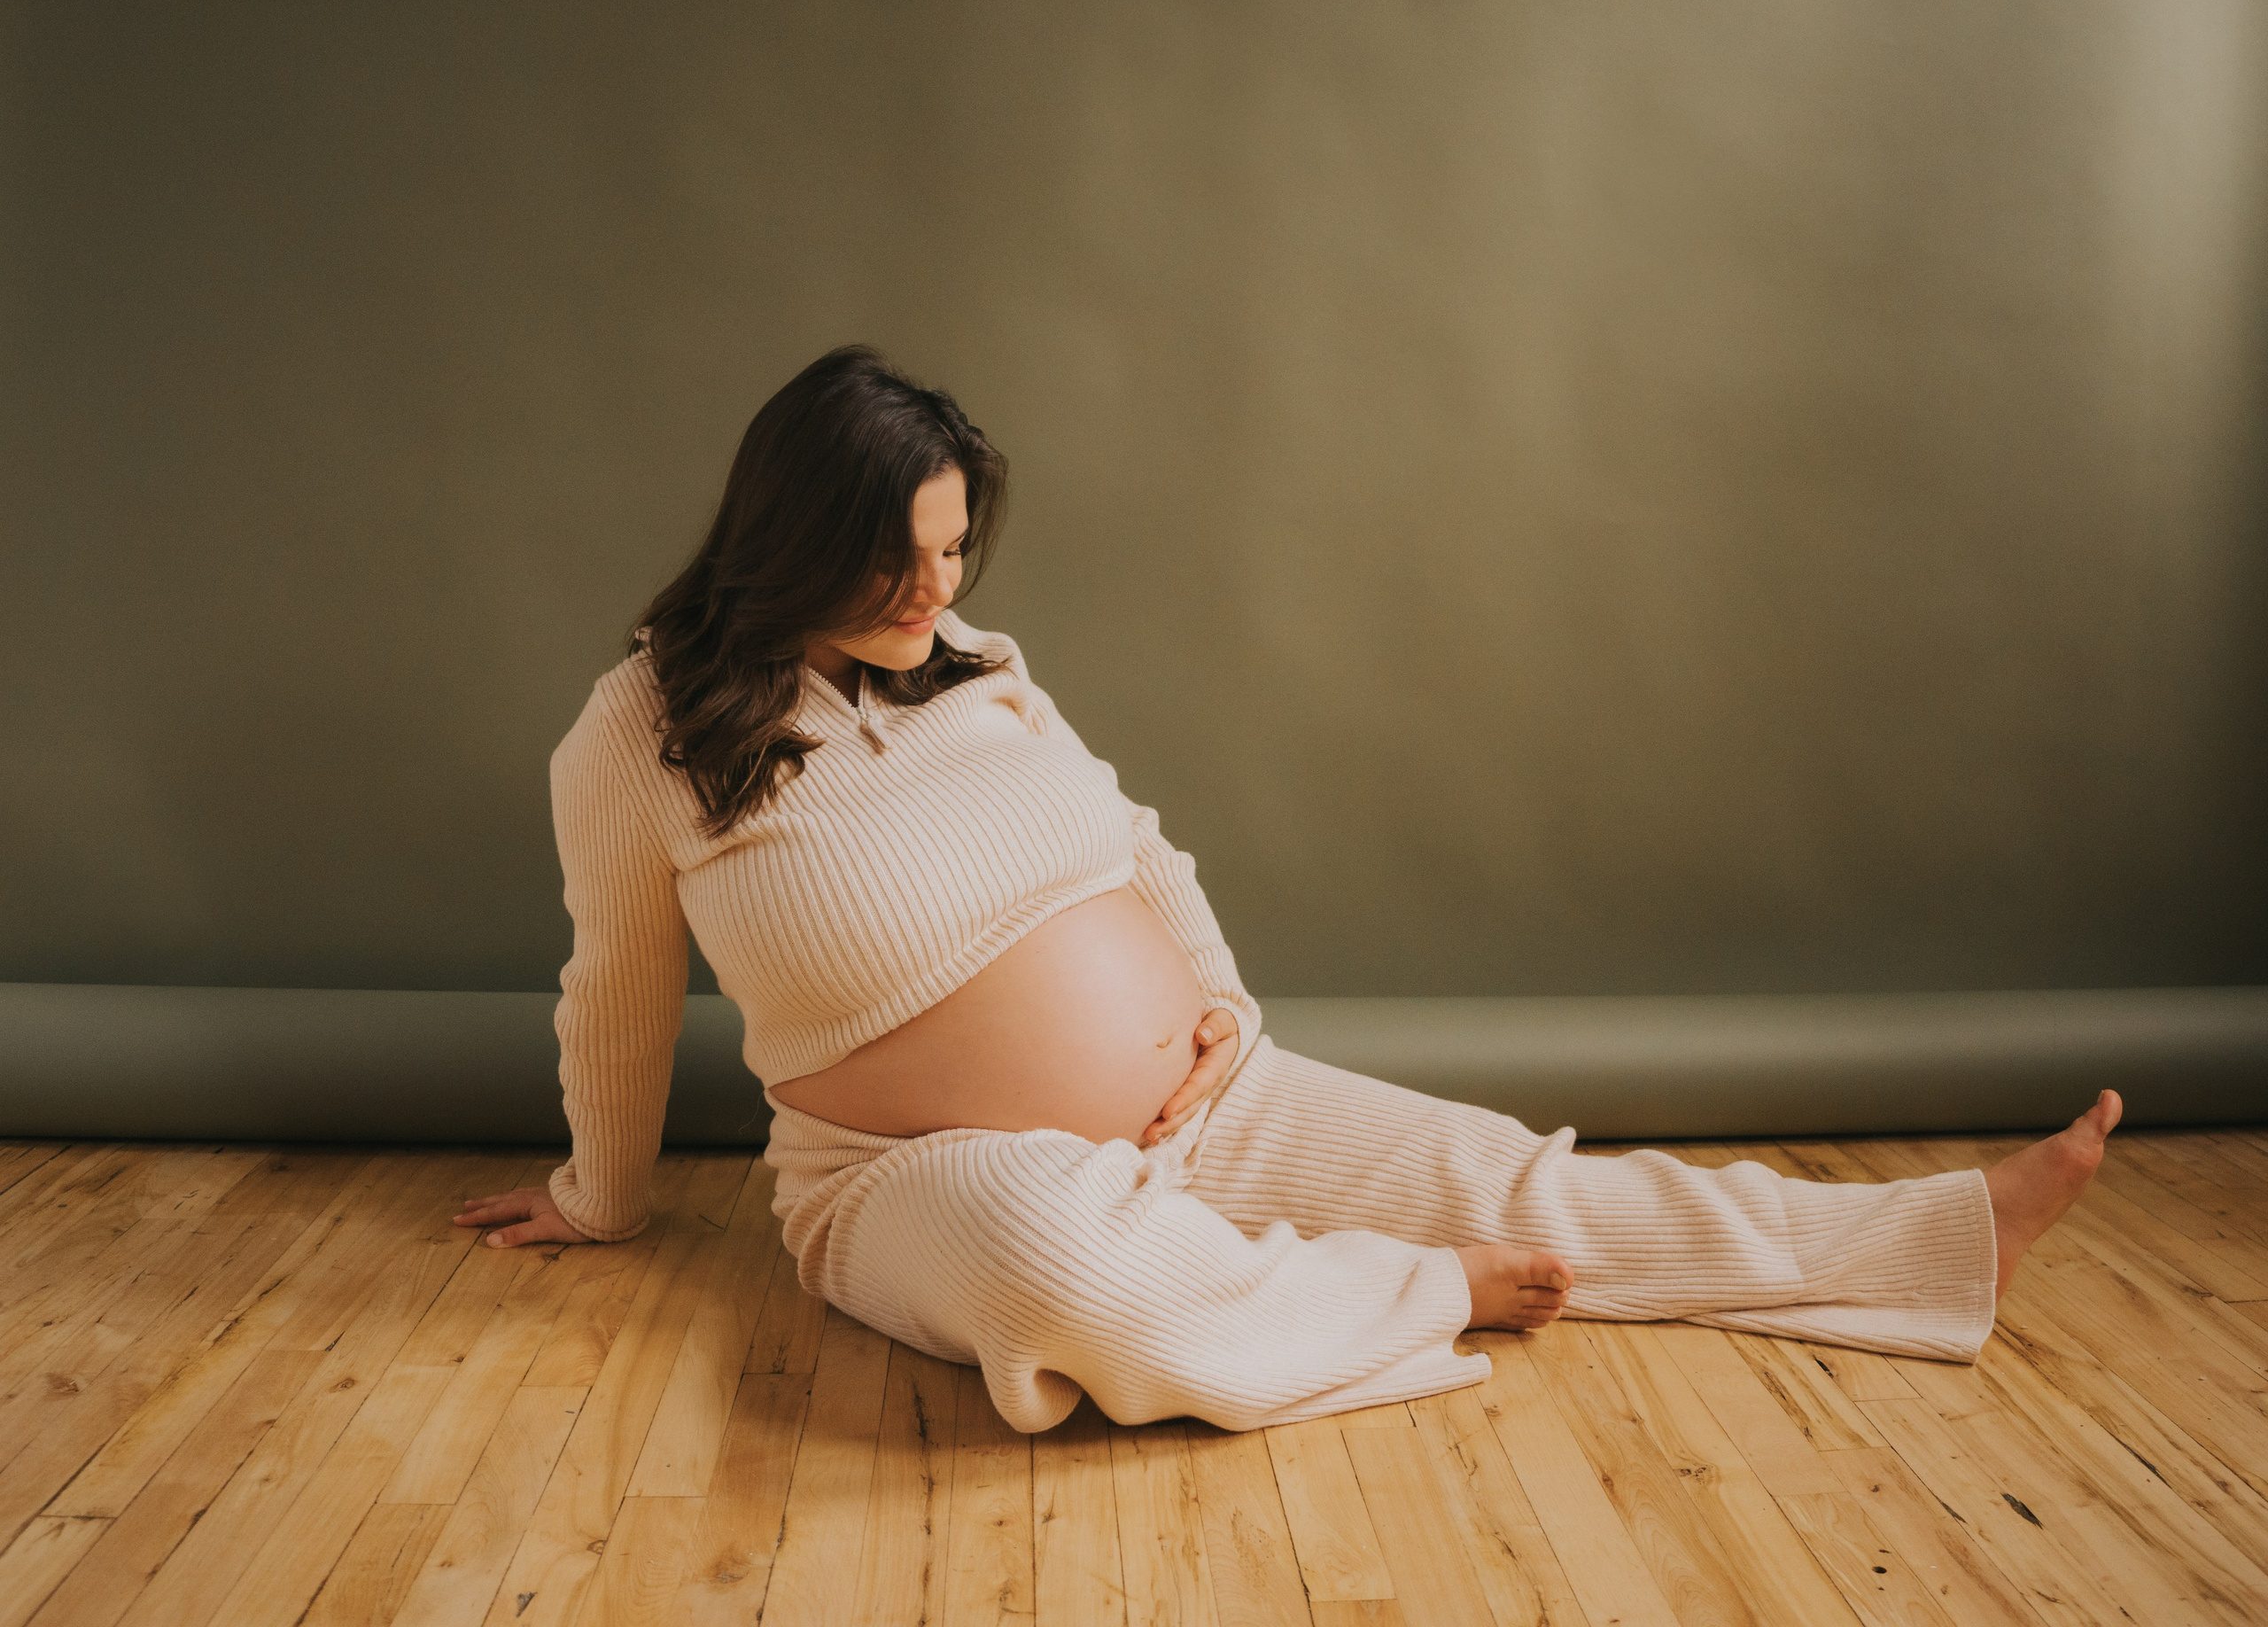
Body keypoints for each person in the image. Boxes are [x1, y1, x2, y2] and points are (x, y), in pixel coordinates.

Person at [455, 345, 2121, 1433]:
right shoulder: (643, 731)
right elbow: (614, 981)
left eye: (955, 548)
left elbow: (1139, 846)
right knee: (1065, 1275)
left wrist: (1219, 1022)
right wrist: (603, 1198)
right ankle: (1411, 1298)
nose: (931, 588)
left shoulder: (974, 663)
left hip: (1208, 1103)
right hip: (912, 1177)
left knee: (1524, 1179)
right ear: (785, 533)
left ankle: (1932, 1236)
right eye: (893, 558)